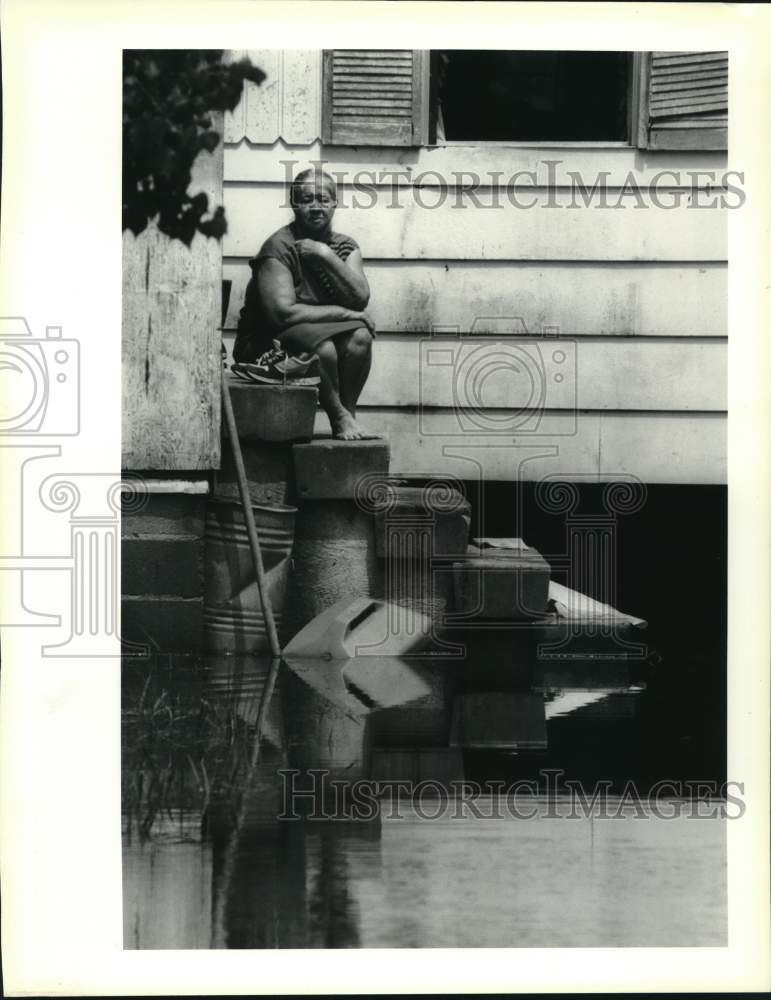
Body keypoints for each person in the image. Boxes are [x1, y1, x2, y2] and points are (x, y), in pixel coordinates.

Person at [233, 168, 377, 441]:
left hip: (312, 333)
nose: (315, 207)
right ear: (293, 203)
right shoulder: (278, 247)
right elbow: (282, 314)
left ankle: (347, 415)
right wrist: (345, 312)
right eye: (307, 199)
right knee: (322, 347)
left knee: (360, 337)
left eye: (323, 199)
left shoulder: (344, 246)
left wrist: (325, 255)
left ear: (335, 203)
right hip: (266, 345)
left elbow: (360, 297)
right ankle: (339, 417)